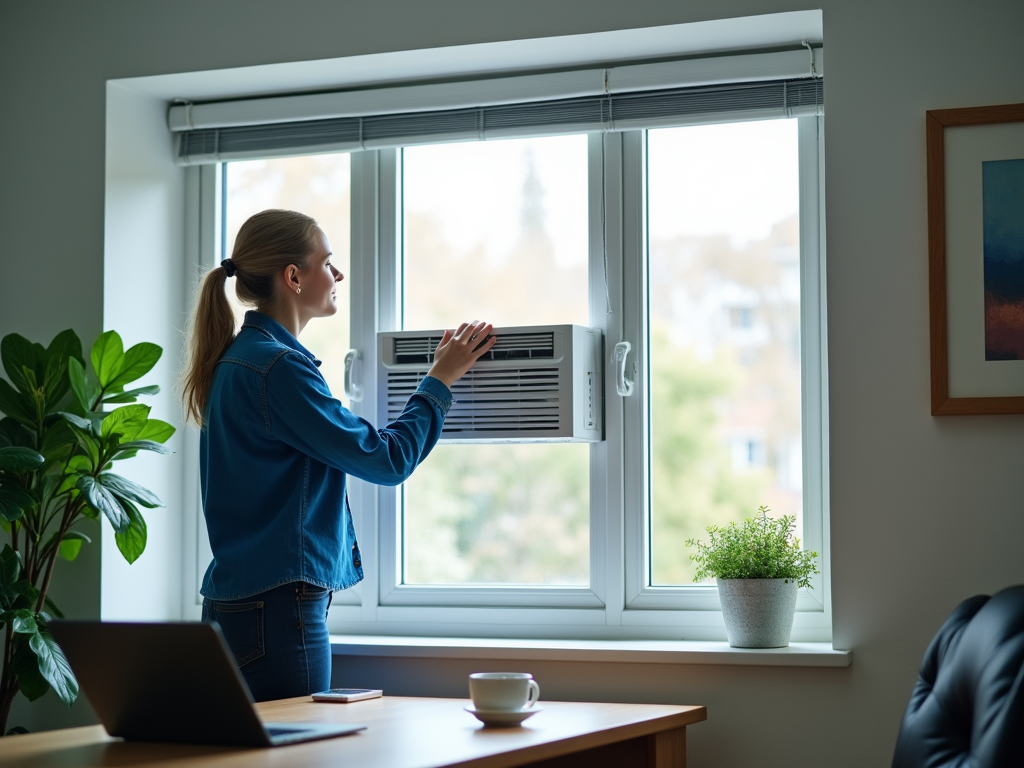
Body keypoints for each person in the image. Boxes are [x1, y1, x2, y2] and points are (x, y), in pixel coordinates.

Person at [181, 208, 496, 702]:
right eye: (327, 262)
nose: (338, 274)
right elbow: (386, 459)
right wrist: (439, 379)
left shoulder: (237, 360)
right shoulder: (278, 368)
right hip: (278, 611)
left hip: (233, 605)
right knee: (296, 755)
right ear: (293, 277)